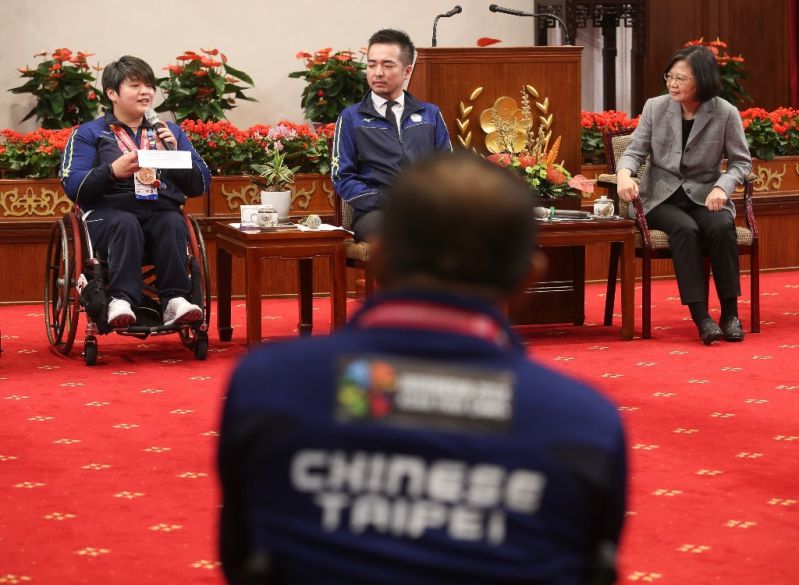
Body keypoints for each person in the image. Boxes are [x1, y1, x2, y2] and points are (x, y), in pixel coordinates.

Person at [218, 152, 627, 585]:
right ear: (527, 278)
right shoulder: (582, 421)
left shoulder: (270, 385)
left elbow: (241, 557)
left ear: (377, 259)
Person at [61, 55, 211, 328]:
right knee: (125, 223)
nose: (146, 92)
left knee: (172, 221)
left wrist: (174, 154)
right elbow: (74, 187)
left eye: (150, 85)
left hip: (158, 210)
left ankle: (175, 300)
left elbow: (200, 184)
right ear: (112, 93)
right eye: (135, 85)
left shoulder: (170, 132)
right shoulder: (89, 134)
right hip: (108, 216)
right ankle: (120, 300)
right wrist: (111, 171)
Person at [616, 45, 752, 345]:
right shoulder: (656, 106)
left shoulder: (725, 113)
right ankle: (701, 317)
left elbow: (742, 163)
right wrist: (624, 173)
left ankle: (730, 314)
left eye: (681, 78)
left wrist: (722, 186)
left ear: (701, 80)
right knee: (685, 229)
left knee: (721, 226)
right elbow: (634, 151)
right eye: (670, 76)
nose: (672, 84)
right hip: (659, 197)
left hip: (706, 195)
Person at [331, 28, 452, 242]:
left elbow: (449, 168)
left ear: (407, 72)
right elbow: (343, 177)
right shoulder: (351, 118)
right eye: (371, 65)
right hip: (375, 212)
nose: (377, 73)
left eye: (387, 65)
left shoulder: (430, 114)